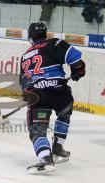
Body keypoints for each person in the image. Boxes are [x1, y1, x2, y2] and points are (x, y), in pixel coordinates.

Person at [20, 22, 85, 173]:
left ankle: (45, 158)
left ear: (30, 37)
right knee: (64, 113)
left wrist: (28, 95)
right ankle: (58, 148)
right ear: (45, 34)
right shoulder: (55, 43)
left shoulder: (25, 56)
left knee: (37, 130)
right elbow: (76, 61)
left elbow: (23, 83)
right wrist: (78, 71)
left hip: (39, 96)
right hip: (60, 93)